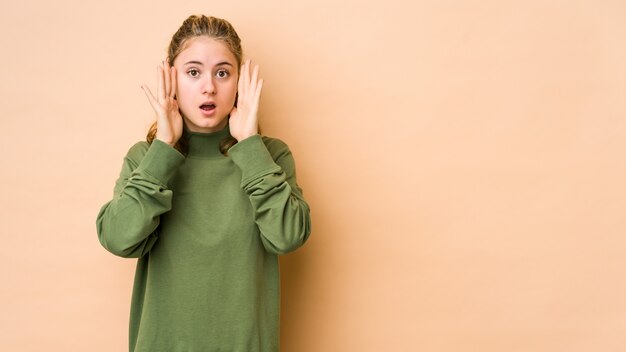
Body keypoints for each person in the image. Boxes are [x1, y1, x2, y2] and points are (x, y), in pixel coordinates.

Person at [96, 14, 311, 352]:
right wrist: (164, 149)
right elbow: (118, 239)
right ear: (172, 79)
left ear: (240, 83)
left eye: (222, 73)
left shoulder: (269, 155)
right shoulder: (147, 157)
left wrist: (250, 146)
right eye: (193, 72)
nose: (209, 86)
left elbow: (288, 237)